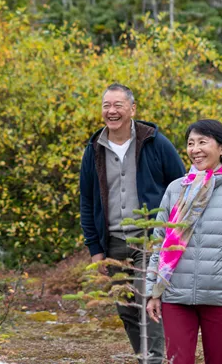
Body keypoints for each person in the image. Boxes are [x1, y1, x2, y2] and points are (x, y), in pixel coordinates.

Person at [78, 83, 186, 363]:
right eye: (106, 106)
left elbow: (181, 185)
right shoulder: (94, 149)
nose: (111, 111)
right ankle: (145, 357)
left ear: (132, 109)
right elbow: (87, 202)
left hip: (150, 239)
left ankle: (155, 359)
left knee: (146, 301)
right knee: (125, 307)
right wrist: (95, 249)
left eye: (118, 105)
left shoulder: (155, 142)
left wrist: (173, 235)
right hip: (113, 241)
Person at [144, 119, 222, 364]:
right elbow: (160, 244)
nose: (195, 149)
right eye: (190, 143)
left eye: (202, 142)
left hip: (221, 297)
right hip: (175, 295)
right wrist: (152, 292)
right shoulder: (175, 189)